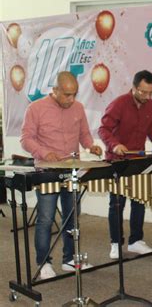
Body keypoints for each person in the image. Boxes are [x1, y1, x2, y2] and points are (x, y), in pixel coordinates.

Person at [20, 71, 103, 279]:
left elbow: (84, 134)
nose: (71, 99)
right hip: (47, 171)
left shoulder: (78, 108)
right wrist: (43, 153)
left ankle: (69, 260)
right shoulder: (36, 108)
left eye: (74, 94)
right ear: (55, 90)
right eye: (67, 94)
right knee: (46, 219)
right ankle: (43, 263)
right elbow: (26, 138)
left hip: (72, 170)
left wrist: (91, 146)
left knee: (72, 218)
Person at [98, 70, 152, 259]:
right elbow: (103, 129)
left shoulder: (150, 105)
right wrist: (115, 144)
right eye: (143, 92)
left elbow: (150, 125)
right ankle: (116, 243)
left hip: (138, 160)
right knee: (117, 204)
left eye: (150, 92)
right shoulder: (119, 104)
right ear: (134, 88)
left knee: (139, 201)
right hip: (118, 160)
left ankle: (136, 241)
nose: (147, 96)